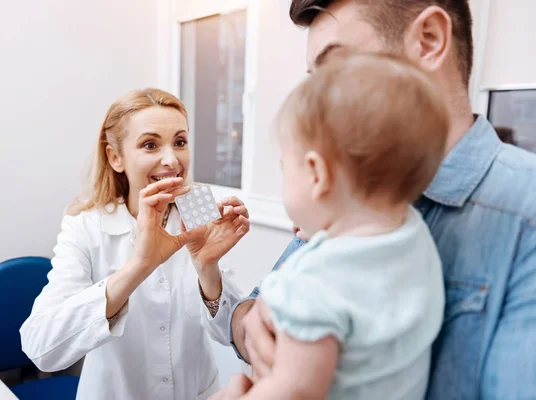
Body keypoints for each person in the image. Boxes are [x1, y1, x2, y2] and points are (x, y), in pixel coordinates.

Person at [227, 1, 536, 399]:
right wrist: (255, 324)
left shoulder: (523, 214)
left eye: (337, 72)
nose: (320, 103)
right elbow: (249, 317)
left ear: (429, 40)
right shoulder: (343, 192)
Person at [220, 52, 449, 399]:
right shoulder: (412, 235)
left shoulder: (311, 282)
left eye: (285, 166)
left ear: (317, 174)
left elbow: (294, 391)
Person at [20, 88, 250, 400]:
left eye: (180, 142)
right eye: (150, 144)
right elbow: (41, 348)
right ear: (115, 157)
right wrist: (139, 266)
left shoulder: (199, 208)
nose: (172, 160)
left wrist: (208, 269)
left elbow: (229, 336)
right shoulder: (86, 226)